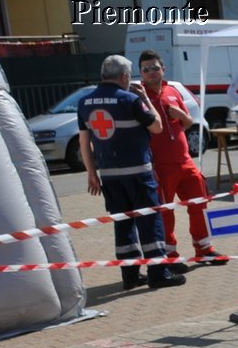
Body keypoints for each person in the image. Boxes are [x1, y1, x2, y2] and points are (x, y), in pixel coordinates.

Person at [76, 54, 181, 291]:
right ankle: (158, 273)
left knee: (122, 224)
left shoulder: (85, 103)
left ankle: (131, 276)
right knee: (149, 221)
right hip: (138, 175)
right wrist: (145, 98)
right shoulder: (130, 99)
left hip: (110, 177)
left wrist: (91, 173)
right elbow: (157, 126)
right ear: (124, 76)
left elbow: (85, 142)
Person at [137, 50, 224, 267]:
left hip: (185, 160)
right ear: (141, 73)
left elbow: (187, 123)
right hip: (160, 165)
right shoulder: (139, 97)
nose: (151, 73)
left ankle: (204, 248)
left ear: (163, 69)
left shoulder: (173, 90)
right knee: (165, 211)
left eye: (155, 68)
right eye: (146, 69)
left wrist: (182, 115)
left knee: (199, 203)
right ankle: (170, 255)